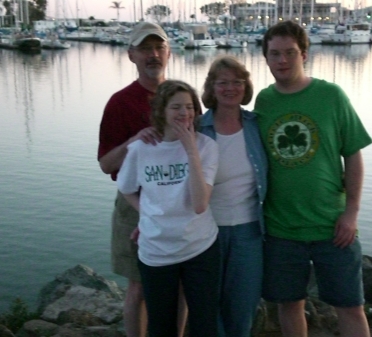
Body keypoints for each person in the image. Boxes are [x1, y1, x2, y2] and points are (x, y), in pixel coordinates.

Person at [254, 21, 372, 337]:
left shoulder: (331, 96)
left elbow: (354, 155)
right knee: (288, 305)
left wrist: (351, 213)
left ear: (304, 54)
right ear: (265, 57)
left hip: (333, 227)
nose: (282, 60)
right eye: (275, 54)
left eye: (290, 53)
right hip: (280, 229)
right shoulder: (263, 102)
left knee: (350, 306)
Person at [97, 22, 186, 337]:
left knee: (179, 285)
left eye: (159, 47)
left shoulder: (183, 97)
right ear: (131, 55)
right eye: (145, 48)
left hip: (177, 205)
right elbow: (106, 163)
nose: (153, 54)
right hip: (133, 203)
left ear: (169, 52)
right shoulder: (119, 103)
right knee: (138, 286)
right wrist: (133, 141)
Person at [116, 80, 221, 337]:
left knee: (204, 324)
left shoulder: (207, 147)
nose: (184, 113)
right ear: (161, 110)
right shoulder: (141, 149)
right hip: (156, 252)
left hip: (200, 247)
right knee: (161, 325)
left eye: (189, 107)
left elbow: (199, 204)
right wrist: (147, 212)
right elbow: (126, 188)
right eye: (176, 107)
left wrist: (190, 150)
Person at [200, 56, 268, 336]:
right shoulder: (196, 128)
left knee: (242, 309)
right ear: (211, 88)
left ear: (246, 87)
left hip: (249, 232)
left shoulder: (257, 125)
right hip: (206, 233)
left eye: (237, 82)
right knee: (207, 309)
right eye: (223, 82)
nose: (231, 88)